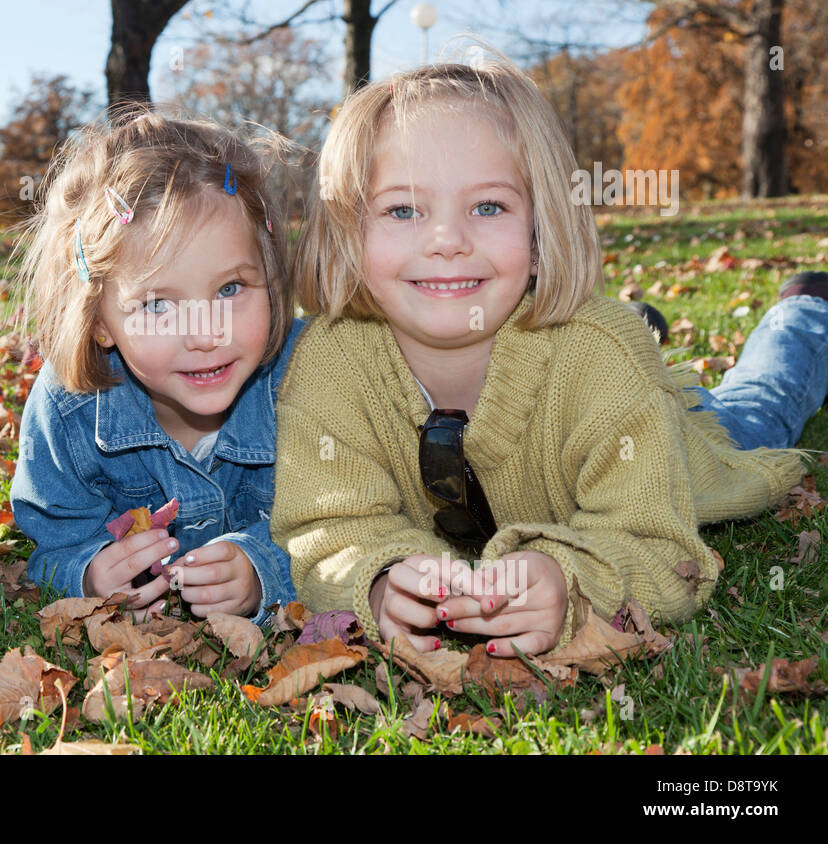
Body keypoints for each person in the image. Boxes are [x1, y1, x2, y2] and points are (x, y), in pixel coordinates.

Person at [271, 56, 823, 657]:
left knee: (753, 411)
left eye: (488, 207)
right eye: (403, 210)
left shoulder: (599, 356)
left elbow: (657, 546)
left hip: (683, 446)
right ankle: (654, 325)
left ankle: (803, 318)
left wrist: (572, 580)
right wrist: (377, 581)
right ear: (350, 233)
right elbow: (325, 532)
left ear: (540, 234)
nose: (446, 241)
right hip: (601, 378)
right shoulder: (328, 359)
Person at [10, 111, 304, 624]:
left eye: (230, 289)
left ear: (271, 277)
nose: (205, 333)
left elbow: (347, 523)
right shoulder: (66, 411)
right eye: (157, 305)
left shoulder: (310, 377)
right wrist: (91, 574)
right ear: (99, 321)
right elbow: (52, 545)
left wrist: (264, 570)